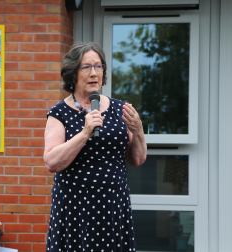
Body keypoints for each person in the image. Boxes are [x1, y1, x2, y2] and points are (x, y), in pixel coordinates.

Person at [43, 42, 147, 252]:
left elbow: (137, 159)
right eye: (86, 67)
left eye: (98, 67)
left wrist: (138, 130)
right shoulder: (59, 112)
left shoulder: (120, 109)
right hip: (74, 208)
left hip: (112, 205)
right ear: (73, 73)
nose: (94, 73)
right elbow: (52, 162)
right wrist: (84, 133)